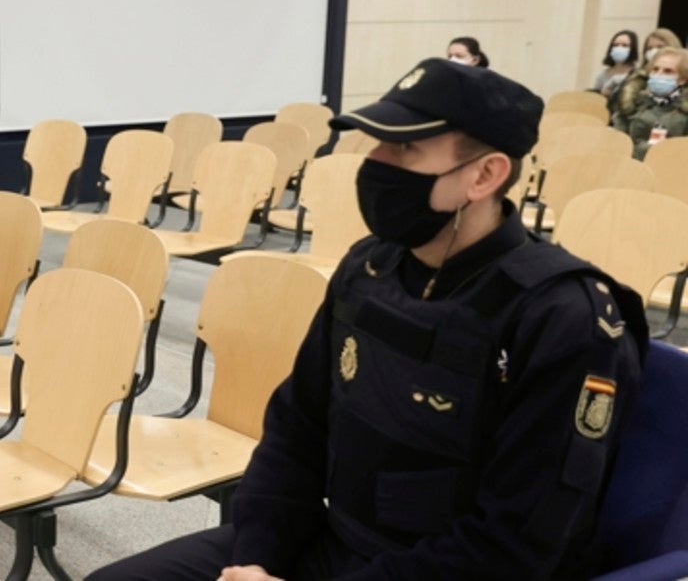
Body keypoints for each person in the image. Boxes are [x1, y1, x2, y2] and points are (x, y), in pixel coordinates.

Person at [88, 58, 648, 580]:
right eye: (379, 144)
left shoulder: (562, 315)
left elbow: (519, 539)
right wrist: (258, 559)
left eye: (405, 153)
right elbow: (295, 430)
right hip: (337, 541)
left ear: (484, 176)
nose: (376, 165)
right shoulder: (370, 266)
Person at [612, 46, 688, 160]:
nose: (659, 74)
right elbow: (617, 144)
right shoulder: (630, 105)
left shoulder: (685, 111)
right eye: (655, 69)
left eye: (668, 71)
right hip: (631, 167)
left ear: (682, 79)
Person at [591, 29, 639, 97]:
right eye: (615, 45)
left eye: (624, 45)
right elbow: (594, 99)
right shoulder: (602, 75)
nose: (619, 48)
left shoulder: (637, 75)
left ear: (632, 49)